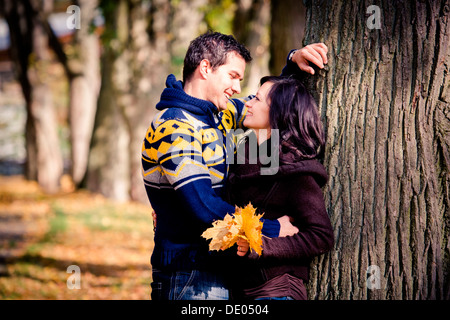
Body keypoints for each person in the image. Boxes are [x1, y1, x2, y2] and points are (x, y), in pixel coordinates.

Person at [141, 31, 328, 300]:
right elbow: (204, 206)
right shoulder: (176, 128)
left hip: (219, 268)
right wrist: (273, 229)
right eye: (233, 76)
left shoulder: (220, 114)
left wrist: (293, 61)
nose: (238, 89)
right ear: (205, 68)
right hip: (189, 275)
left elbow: (272, 105)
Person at [227, 75, 334, 300]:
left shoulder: (294, 170)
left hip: (277, 291)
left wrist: (262, 245)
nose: (247, 103)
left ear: (278, 113)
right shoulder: (241, 156)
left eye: (256, 99)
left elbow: (321, 236)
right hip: (238, 291)